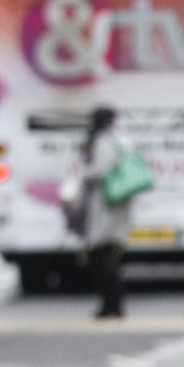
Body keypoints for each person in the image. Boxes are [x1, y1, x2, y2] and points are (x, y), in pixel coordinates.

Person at [80, 106, 133, 319]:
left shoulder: (103, 140)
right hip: (118, 202)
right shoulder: (121, 138)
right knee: (109, 255)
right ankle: (112, 303)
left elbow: (101, 169)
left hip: (107, 203)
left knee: (101, 255)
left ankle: (111, 303)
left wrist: (82, 173)